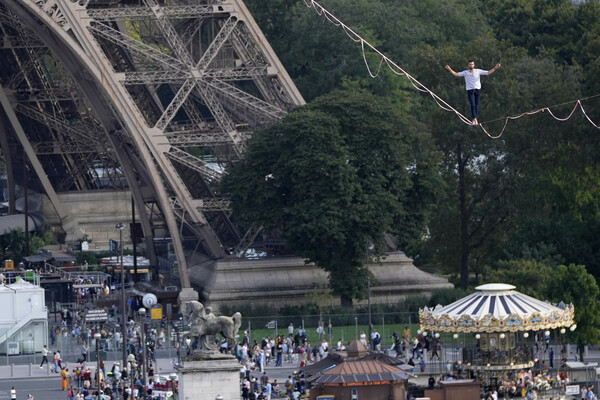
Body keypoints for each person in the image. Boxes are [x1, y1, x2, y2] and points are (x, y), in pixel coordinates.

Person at [445, 60, 501, 125]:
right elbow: (456, 74)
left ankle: (475, 119)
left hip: (477, 90)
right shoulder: (465, 72)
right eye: (470, 64)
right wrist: (449, 69)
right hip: (470, 90)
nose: (471, 65)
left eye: (472, 64)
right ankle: (474, 118)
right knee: (472, 104)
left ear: (474, 65)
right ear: (468, 65)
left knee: (476, 105)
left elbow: (488, 72)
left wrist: (495, 68)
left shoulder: (478, 71)